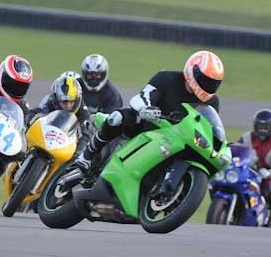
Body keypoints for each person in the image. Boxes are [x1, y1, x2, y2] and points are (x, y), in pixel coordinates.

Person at [75, 50, 225, 173]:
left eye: (213, 83)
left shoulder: (212, 102)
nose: (208, 86)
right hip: (148, 126)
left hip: (178, 142)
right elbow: (141, 98)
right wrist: (144, 108)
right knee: (118, 117)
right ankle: (86, 156)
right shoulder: (166, 78)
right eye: (205, 80)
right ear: (193, 70)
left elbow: (209, 130)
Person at [237, 109, 271, 228]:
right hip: (252, 171)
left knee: (269, 189)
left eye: (265, 128)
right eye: (260, 127)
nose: (262, 130)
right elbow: (236, 152)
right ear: (255, 126)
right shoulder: (246, 137)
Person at [28, 72, 93, 153]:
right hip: (47, 137)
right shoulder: (50, 102)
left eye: (71, 101)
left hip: (67, 146)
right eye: (64, 102)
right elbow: (36, 112)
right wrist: (27, 121)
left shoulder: (83, 111)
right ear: (56, 100)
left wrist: (77, 153)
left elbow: (86, 135)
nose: (68, 105)